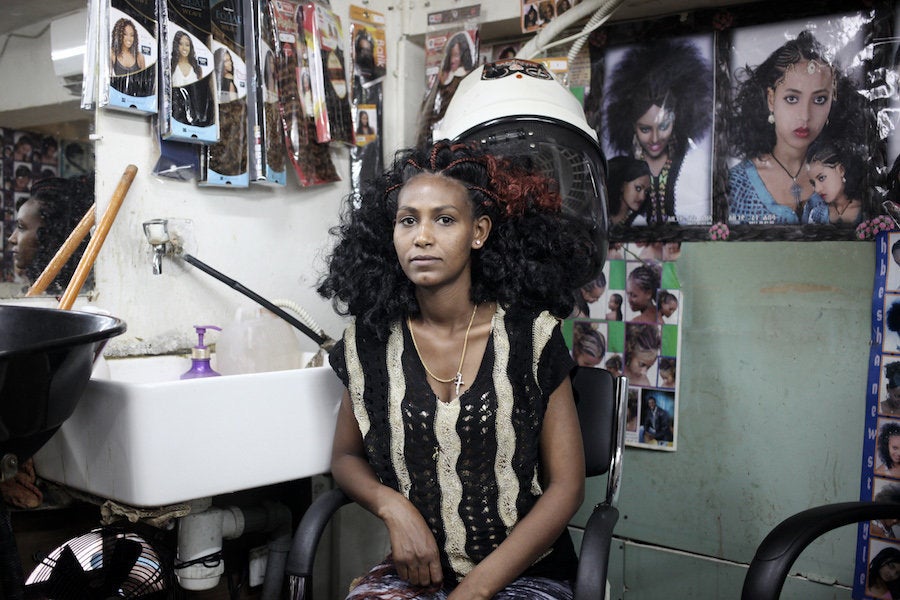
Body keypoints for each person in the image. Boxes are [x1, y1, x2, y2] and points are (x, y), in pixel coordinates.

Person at [318, 141, 597, 599]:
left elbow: (566, 488)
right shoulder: (367, 344)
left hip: (526, 574)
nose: (422, 237)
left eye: (444, 219)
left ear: (479, 231)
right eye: (408, 220)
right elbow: (346, 458)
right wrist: (393, 509)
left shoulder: (532, 338)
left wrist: (476, 590)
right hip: (417, 576)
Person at [727, 31, 867, 224]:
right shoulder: (735, 186)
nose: (805, 116)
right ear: (771, 99)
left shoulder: (852, 177)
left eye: (819, 99)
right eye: (792, 98)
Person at [604, 38, 713, 224]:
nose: (655, 139)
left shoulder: (694, 162)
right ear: (632, 126)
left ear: (677, 120)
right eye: (645, 129)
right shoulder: (619, 169)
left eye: (663, 126)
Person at [6, 175, 94, 293]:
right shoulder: (40, 295)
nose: (12, 238)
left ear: (48, 235)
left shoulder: (80, 295)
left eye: (21, 227)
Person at [418, 33, 475, 145]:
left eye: (457, 55)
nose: (453, 60)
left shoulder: (467, 82)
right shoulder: (440, 83)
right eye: (451, 55)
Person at [802, 141, 864, 225]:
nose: (817, 189)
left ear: (841, 170)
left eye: (821, 178)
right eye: (813, 183)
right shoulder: (815, 214)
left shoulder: (868, 210)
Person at [606, 156, 651, 226]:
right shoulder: (602, 213)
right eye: (638, 188)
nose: (643, 197)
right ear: (622, 185)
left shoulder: (638, 222)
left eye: (646, 191)